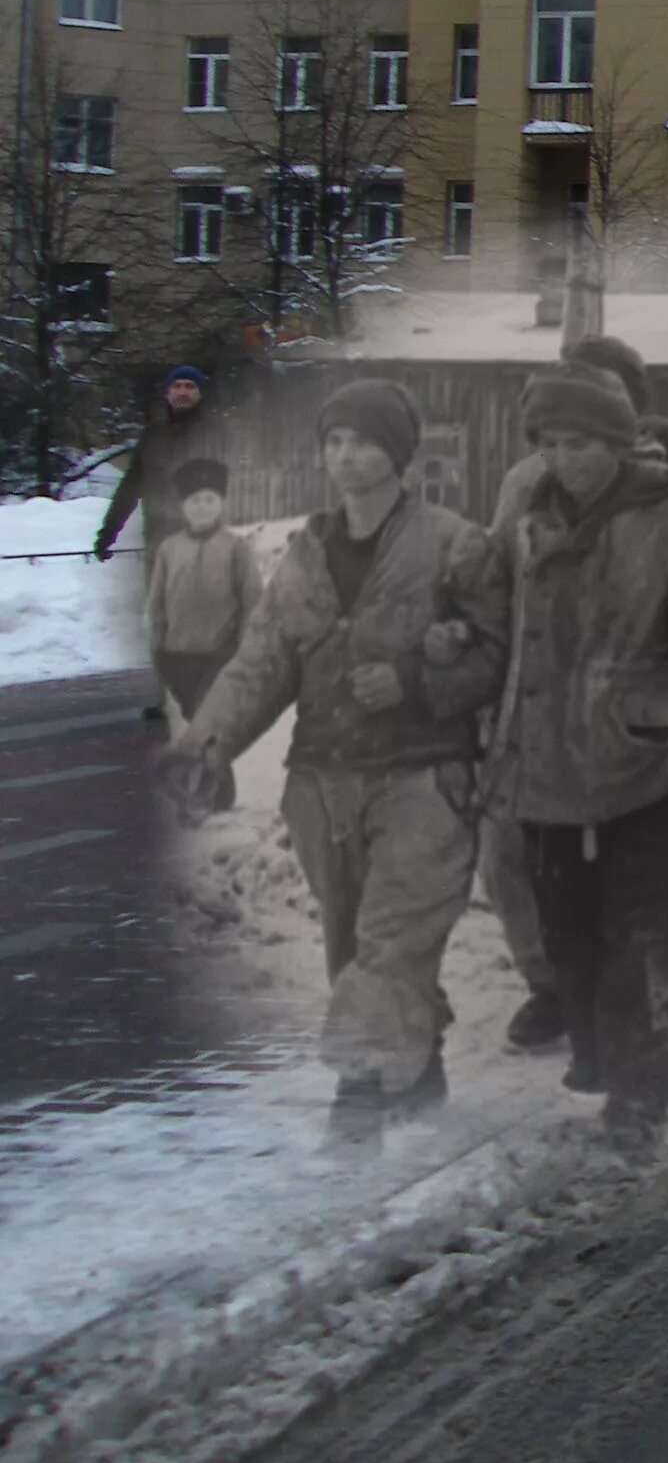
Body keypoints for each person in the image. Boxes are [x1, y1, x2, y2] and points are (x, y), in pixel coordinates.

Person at [159, 381, 509, 1130]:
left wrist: (417, 678)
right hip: (321, 782)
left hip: (423, 778)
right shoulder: (304, 556)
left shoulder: (455, 543)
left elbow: (500, 658)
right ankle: (417, 1073)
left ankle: (358, 1101)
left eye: (363, 440)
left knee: (389, 943)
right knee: (356, 950)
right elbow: (261, 663)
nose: (345, 457)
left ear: (400, 452)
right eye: (334, 441)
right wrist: (206, 743)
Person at [491, 365, 668, 1159]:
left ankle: (641, 1098)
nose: (563, 459)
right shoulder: (526, 521)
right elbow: (501, 629)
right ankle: (604, 1062)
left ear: (618, 442)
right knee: (571, 939)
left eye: (580, 443)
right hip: (551, 771)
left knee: (650, 941)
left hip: (657, 772)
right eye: (548, 443)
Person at [479, 333, 658, 1052]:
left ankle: (623, 990)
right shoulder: (525, 481)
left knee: (617, 856)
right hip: (530, 696)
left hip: (621, 704)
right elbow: (497, 578)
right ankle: (548, 984)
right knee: (510, 852)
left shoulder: (664, 484)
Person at [146, 457, 255, 740]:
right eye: (194, 500)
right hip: (176, 653)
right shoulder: (170, 549)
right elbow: (157, 599)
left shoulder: (236, 547)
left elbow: (252, 600)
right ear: (183, 507)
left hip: (221, 652)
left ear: (221, 504)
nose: (202, 507)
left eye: (210, 499)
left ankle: (207, 771)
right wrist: (158, 644)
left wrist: (244, 646)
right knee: (194, 713)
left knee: (207, 720)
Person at [94, 365, 221, 573]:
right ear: (167, 393)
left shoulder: (218, 434)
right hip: (160, 541)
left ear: (201, 393)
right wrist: (108, 533)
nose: (182, 392)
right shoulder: (153, 436)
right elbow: (130, 487)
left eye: (190, 386)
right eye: (177, 386)